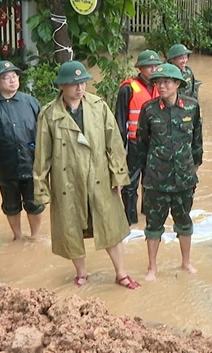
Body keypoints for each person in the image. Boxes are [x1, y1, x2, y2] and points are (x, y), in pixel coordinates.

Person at [34, 61, 140, 289]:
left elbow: (114, 142)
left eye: (83, 83)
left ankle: (121, 273)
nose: (80, 88)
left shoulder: (98, 106)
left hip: (99, 176)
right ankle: (81, 273)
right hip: (67, 181)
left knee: (110, 226)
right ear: (62, 86)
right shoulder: (50, 114)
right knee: (71, 228)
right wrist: (42, 189)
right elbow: (42, 155)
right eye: (74, 84)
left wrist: (118, 175)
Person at [134, 63, 202, 280]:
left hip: (184, 179)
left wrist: (193, 169)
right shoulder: (149, 109)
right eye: (158, 82)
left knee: (184, 222)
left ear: (177, 84)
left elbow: (197, 142)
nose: (161, 86)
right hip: (157, 179)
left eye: (166, 82)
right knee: (153, 225)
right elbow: (141, 143)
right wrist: (148, 170)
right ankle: (152, 268)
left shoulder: (191, 107)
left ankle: (186, 263)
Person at [0, 61, 44, 241]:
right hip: (6, 166)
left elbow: (44, 134)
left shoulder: (31, 102)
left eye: (15, 76)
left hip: (31, 163)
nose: (12, 80)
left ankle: (34, 237)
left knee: (35, 203)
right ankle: (17, 236)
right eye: (6, 77)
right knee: (10, 205)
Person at [114, 50, 162, 226]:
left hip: (154, 143)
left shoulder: (160, 87)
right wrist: (120, 147)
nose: (153, 69)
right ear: (140, 68)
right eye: (149, 66)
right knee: (131, 183)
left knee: (151, 180)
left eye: (156, 66)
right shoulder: (128, 89)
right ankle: (130, 220)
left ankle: (148, 216)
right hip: (134, 143)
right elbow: (120, 120)